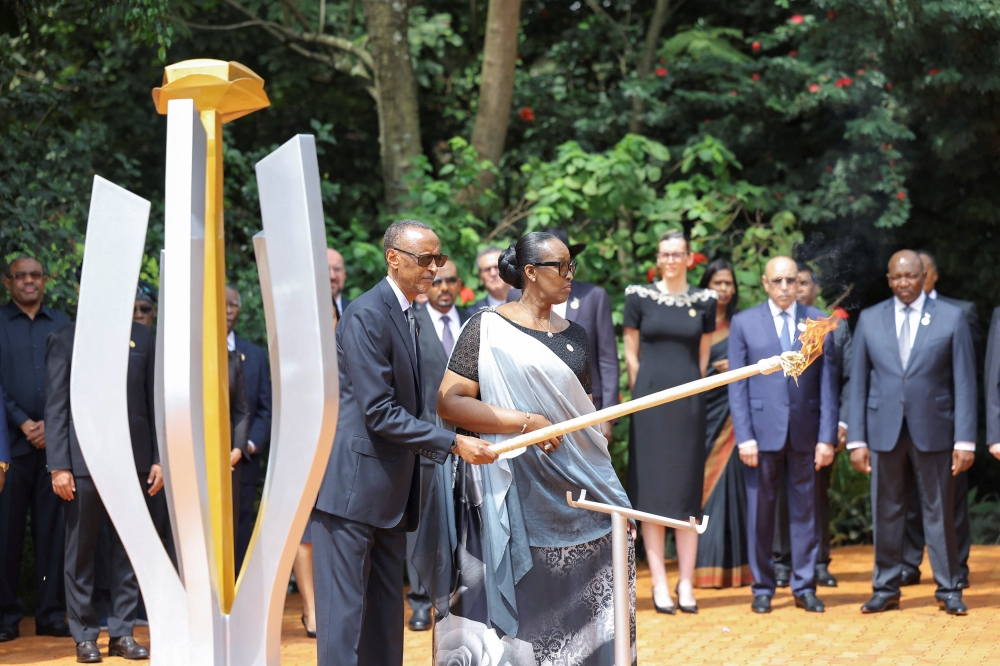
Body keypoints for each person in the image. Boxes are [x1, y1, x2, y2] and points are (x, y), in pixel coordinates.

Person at [414, 230, 634, 664]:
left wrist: (612, 494)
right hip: (513, 494)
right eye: (561, 266)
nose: (570, 275)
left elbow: (584, 423)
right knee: (523, 620)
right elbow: (449, 402)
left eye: (571, 266)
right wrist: (526, 422)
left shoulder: (577, 335)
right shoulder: (486, 327)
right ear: (530, 272)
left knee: (587, 614)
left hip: (576, 492)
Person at [310, 219, 497, 666]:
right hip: (351, 494)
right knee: (343, 628)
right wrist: (453, 443)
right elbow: (379, 411)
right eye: (425, 259)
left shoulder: (405, 312)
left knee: (385, 622)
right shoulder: (367, 313)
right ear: (393, 258)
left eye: (439, 258)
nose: (434, 268)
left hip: (391, 496)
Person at [848, 250, 975, 615]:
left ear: (924, 277)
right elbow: (858, 382)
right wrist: (857, 439)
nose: (904, 283)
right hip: (883, 430)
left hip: (935, 428)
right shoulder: (870, 319)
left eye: (911, 276)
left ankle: (949, 588)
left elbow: (965, 381)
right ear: (889, 280)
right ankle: (885, 587)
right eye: (897, 277)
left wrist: (965, 439)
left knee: (939, 512)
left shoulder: (951, 317)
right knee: (886, 511)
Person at [45, 310, 161, 662]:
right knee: (81, 550)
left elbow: (153, 401)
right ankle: (85, 636)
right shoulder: (64, 339)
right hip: (82, 462)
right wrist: (59, 465)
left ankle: (123, 632)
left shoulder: (143, 337)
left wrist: (158, 458)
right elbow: (56, 406)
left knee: (128, 549)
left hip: (134, 460)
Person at [728, 256, 838, 614]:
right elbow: (738, 386)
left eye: (792, 280)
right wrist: (744, 437)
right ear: (765, 283)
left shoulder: (818, 321)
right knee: (761, 513)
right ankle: (762, 586)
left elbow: (828, 384)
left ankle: (804, 585)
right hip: (761, 434)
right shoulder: (744, 322)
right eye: (778, 281)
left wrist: (827, 437)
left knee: (806, 512)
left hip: (806, 431)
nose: (785, 287)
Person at [624, 230, 715, 614]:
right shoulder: (637, 296)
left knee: (686, 492)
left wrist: (691, 394)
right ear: (658, 259)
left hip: (688, 404)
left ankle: (686, 581)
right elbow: (631, 352)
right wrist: (641, 396)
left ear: (690, 258)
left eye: (677, 254)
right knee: (653, 493)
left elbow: (703, 358)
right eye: (665, 254)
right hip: (649, 403)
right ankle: (659, 581)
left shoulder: (706, 300)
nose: (671, 260)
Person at [0, 256, 72, 642]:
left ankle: (50, 614)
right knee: (5, 534)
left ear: (45, 280)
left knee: (53, 534)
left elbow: (75, 377)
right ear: (7, 282)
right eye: (20, 275)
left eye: (35, 275)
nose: (28, 280)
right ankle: (6, 617)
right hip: (9, 449)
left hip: (55, 450)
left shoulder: (63, 324)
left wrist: (48, 424)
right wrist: (23, 422)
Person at [897, 249, 978, 588]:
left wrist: (964, 431)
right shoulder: (890, 314)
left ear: (931, 275)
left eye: (920, 271)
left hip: (943, 425)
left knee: (950, 502)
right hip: (902, 425)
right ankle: (909, 564)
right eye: (902, 273)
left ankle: (956, 568)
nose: (910, 279)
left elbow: (968, 373)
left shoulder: (960, 312)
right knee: (910, 502)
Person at [771, 264, 849, 589]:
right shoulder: (774, 324)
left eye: (803, 283)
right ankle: (782, 561)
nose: (796, 288)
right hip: (778, 426)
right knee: (779, 495)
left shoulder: (831, 326)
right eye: (792, 282)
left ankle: (818, 561)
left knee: (815, 496)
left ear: (815, 288)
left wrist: (840, 423)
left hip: (817, 427)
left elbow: (845, 377)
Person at [407, 260, 470, 632]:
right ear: (427, 286)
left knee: (463, 522)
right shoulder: (411, 323)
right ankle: (420, 601)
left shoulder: (474, 322)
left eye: (451, 281)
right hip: (425, 440)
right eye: (438, 281)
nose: (444, 287)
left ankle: (459, 599)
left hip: (469, 442)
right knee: (421, 525)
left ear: (459, 284)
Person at [693, 258, 752, 589]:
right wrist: (712, 372)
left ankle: (738, 567)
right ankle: (703, 566)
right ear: (706, 286)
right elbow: (687, 368)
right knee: (703, 484)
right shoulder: (694, 323)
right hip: (702, 413)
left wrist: (739, 366)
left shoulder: (741, 324)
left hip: (734, 415)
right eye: (717, 283)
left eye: (728, 283)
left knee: (732, 484)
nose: (724, 289)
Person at [541, 227, 619, 439]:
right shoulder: (518, 298)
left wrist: (608, 415)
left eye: (565, 261)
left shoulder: (594, 296)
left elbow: (607, 358)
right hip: (538, 407)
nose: (561, 268)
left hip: (587, 406)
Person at [295, 298, 340, 639]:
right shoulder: (298, 363)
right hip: (305, 454)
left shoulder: (353, 355)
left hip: (342, 455)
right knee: (305, 534)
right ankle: (311, 610)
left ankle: (332, 607)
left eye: (332, 316)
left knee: (337, 534)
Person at [225, 286, 273, 574]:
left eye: (233, 304)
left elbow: (266, 408)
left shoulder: (254, 354)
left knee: (242, 526)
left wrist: (247, 445)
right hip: (205, 464)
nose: (228, 310)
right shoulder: (195, 351)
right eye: (222, 304)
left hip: (245, 462)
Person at [327, 247, 351, 316]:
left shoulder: (356, 311)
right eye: (326, 269)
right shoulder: (302, 310)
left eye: (337, 269)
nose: (332, 276)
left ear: (344, 274)